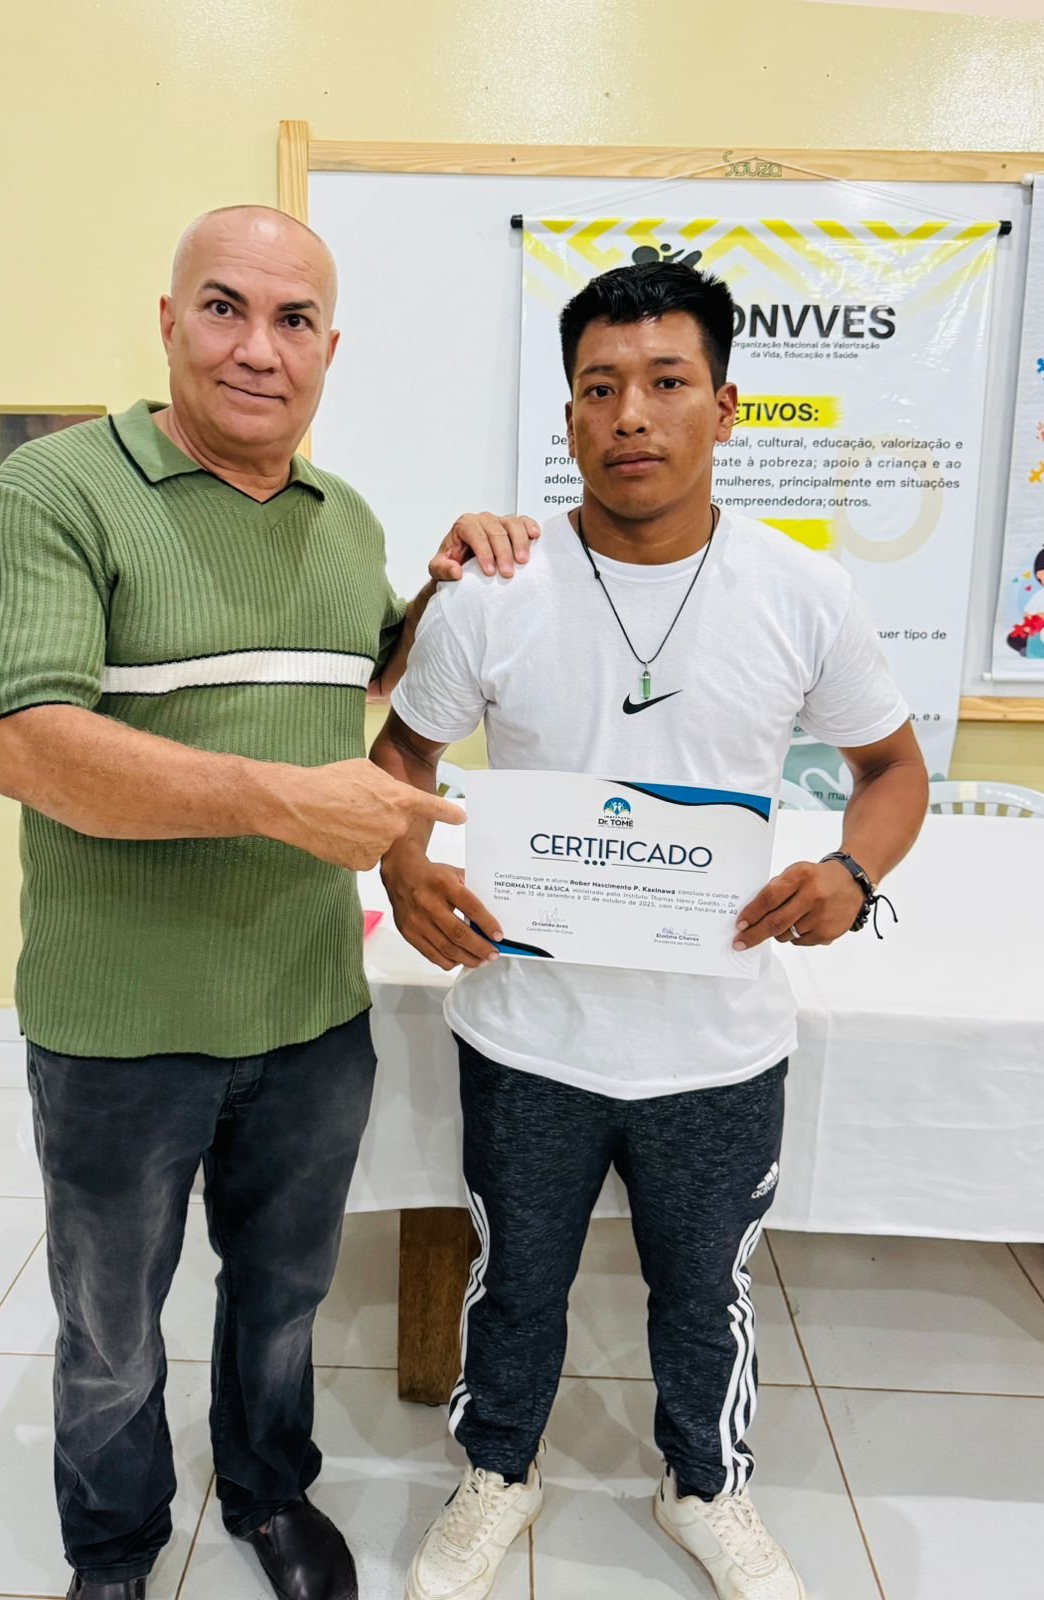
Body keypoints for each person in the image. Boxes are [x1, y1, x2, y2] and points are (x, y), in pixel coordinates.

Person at [0, 205, 536, 1600]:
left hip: (307, 1011)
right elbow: (33, 747)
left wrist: (441, 591)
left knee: (282, 1297)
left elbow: (353, 678)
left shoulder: (344, 520)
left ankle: (269, 1493)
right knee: (111, 1327)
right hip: (119, 1025)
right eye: (224, 308)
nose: (257, 349)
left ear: (331, 348)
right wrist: (285, 802)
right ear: (169, 321)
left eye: (293, 321)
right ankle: (112, 1546)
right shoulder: (59, 491)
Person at [371, 260, 928, 1600]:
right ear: (568, 417)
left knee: (704, 1294)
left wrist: (852, 873)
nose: (630, 413)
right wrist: (403, 865)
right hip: (529, 1033)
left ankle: (706, 1485)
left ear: (723, 409)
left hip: (717, 1043)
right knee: (516, 1285)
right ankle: (498, 1472)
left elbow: (892, 770)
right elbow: (401, 756)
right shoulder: (495, 592)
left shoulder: (800, 591)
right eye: (598, 387)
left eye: (667, 382)